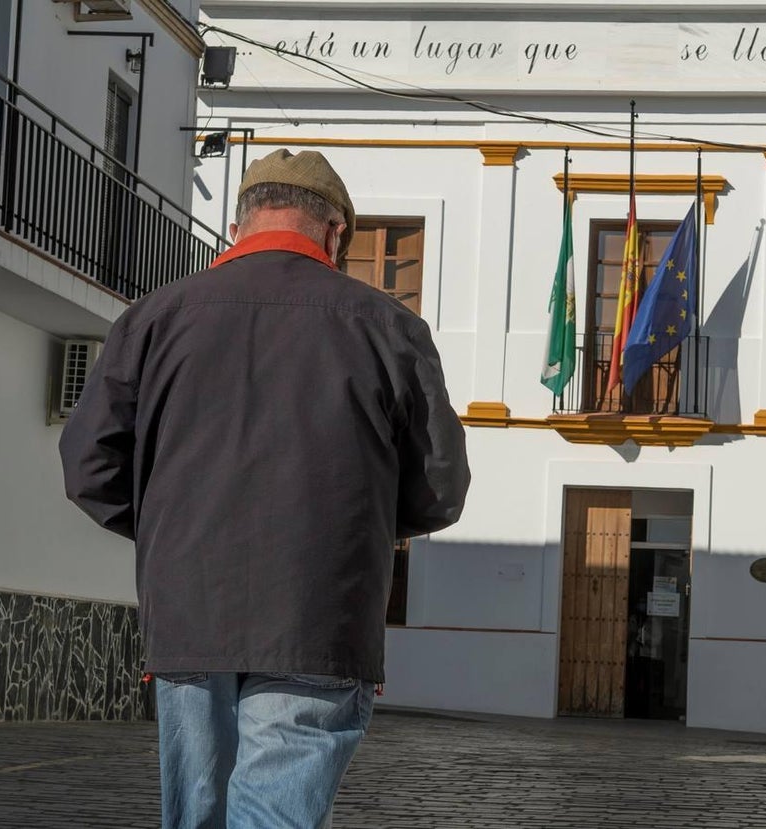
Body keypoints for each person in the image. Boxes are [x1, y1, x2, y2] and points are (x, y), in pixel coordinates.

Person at [59, 148, 470, 828]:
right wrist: (359, 530)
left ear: (238, 225)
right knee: (274, 810)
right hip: (321, 610)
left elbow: (89, 466)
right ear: (335, 232)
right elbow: (440, 485)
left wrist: (172, 528)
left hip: (190, 605)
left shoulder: (155, 318)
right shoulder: (388, 326)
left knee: (196, 813)